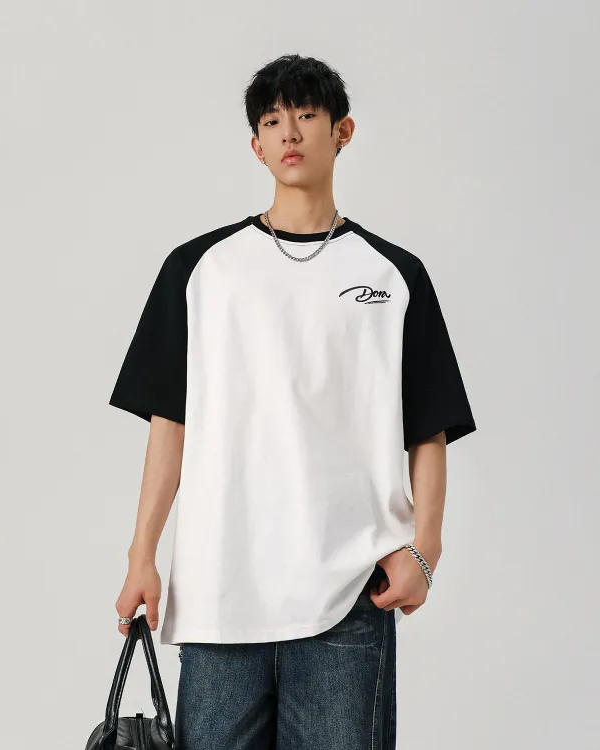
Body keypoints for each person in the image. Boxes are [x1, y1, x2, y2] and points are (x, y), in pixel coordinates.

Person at [108, 53, 476, 749]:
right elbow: (169, 424)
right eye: (273, 121)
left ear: (343, 131)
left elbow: (428, 427)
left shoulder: (394, 276)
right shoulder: (199, 270)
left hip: (349, 595)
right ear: (256, 145)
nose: (291, 133)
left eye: (307, 115)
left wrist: (425, 549)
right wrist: (141, 555)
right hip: (220, 594)